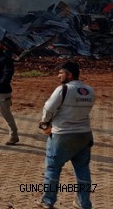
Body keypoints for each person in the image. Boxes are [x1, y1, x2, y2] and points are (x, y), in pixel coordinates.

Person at [38, 61, 95, 209]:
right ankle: (83, 203)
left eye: (61, 73)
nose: (58, 76)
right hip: (84, 134)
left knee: (53, 168)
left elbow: (48, 108)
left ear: (69, 75)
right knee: (83, 169)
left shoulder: (63, 89)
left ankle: (48, 201)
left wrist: (45, 122)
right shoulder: (89, 90)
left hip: (62, 134)